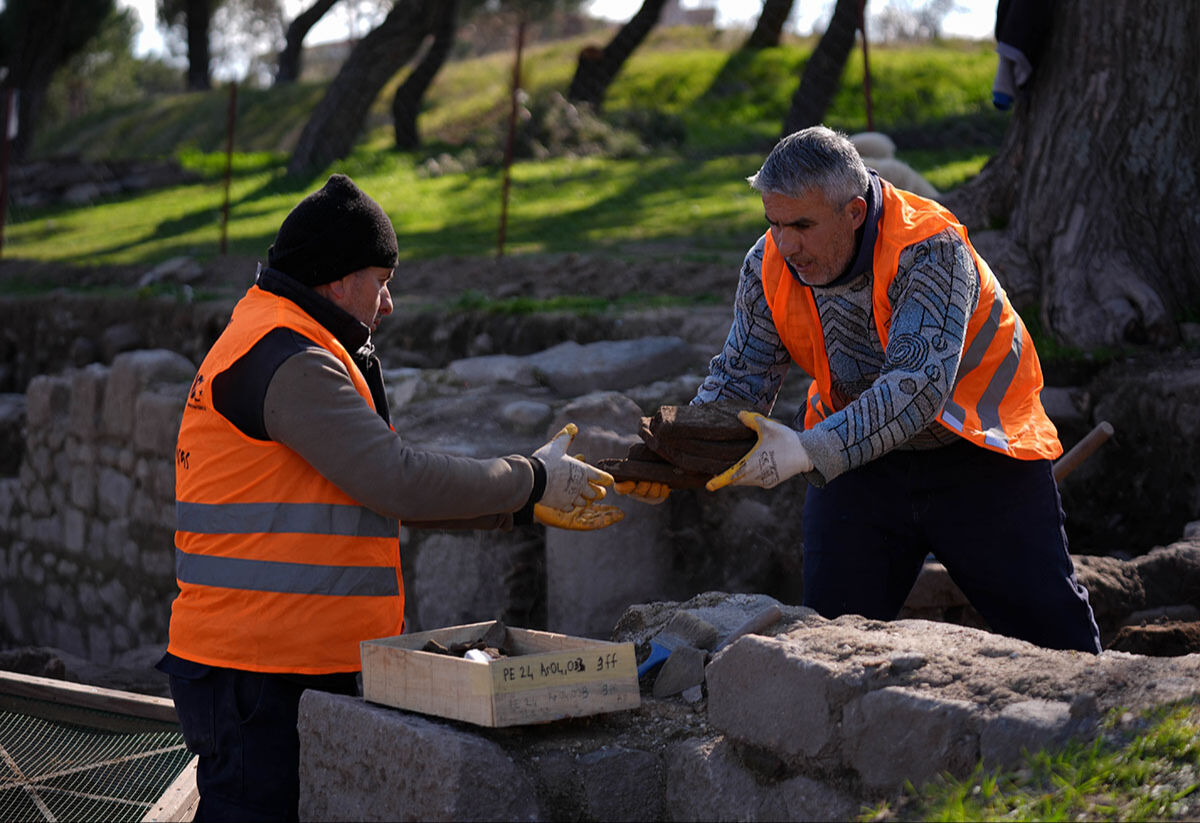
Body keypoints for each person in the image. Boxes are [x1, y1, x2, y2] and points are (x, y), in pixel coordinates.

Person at [157, 173, 622, 821]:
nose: (389, 303)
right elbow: (395, 478)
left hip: (271, 662)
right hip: (258, 674)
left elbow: (374, 497)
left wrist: (518, 504)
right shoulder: (288, 355)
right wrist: (529, 479)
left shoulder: (284, 340)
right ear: (336, 278)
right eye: (382, 280)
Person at [625, 126, 1101, 655]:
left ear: (853, 212)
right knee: (828, 646)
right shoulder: (768, 263)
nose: (786, 244)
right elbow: (740, 381)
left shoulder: (929, 247)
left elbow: (918, 388)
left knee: (1058, 641)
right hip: (859, 470)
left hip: (980, 452)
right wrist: (673, 457)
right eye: (775, 224)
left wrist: (807, 449)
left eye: (802, 225)